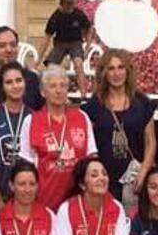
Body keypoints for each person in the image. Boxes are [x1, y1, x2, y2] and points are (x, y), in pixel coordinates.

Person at [81, 48, 156, 204]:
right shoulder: (94, 105)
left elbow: (150, 141)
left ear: (128, 71)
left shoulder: (142, 102)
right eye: (111, 68)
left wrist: (143, 172)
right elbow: (88, 145)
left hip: (135, 178)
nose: (117, 73)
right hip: (105, 179)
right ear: (104, 73)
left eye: (121, 67)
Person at [19, 65, 98, 211]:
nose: (59, 90)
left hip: (78, 202)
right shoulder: (31, 121)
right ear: (43, 92)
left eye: (63, 85)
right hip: (44, 201)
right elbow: (26, 167)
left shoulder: (81, 117)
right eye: (53, 86)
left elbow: (91, 157)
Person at [0, 61, 34, 205]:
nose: (15, 86)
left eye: (19, 80)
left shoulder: (34, 117)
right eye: (9, 82)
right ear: (2, 87)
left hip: (26, 195)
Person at [40, 0, 93, 98]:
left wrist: (87, 45)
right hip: (60, 44)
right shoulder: (56, 17)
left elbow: (89, 28)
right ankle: (50, 95)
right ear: (61, 4)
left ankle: (83, 96)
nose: (70, 9)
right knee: (50, 67)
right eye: (67, 7)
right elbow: (47, 37)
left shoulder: (78, 14)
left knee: (78, 65)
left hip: (75, 43)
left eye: (71, 6)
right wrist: (38, 59)